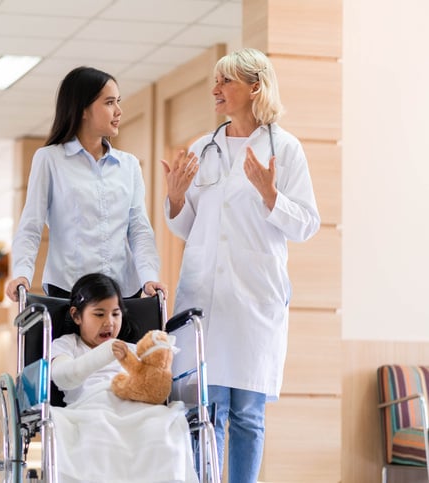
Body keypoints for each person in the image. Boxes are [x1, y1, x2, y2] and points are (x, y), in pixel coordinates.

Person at [160, 48, 320, 482]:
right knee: (205, 413)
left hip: (254, 299)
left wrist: (272, 196)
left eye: (225, 81)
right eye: (216, 81)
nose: (215, 89)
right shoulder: (203, 149)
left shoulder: (284, 150)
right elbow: (187, 225)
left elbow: (307, 223)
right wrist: (175, 200)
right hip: (204, 298)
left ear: (255, 87)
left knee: (247, 415)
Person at [6, 66, 166, 301]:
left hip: (123, 292)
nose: (119, 111)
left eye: (118, 101)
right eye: (109, 102)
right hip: (69, 290)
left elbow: (139, 229)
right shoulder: (50, 159)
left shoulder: (129, 165)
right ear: (83, 109)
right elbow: (31, 225)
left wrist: (149, 277)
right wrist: (22, 273)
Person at [49, 273, 198, 483]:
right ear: (76, 315)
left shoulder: (132, 349)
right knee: (99, 433)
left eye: (116, 314)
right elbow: (64, 377)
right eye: (99, 314)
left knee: (162, 430)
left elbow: (153, 383)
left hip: (137, 406)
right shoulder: (67, 345)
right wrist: (104, 353)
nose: (109, 323)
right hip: (91, 407)